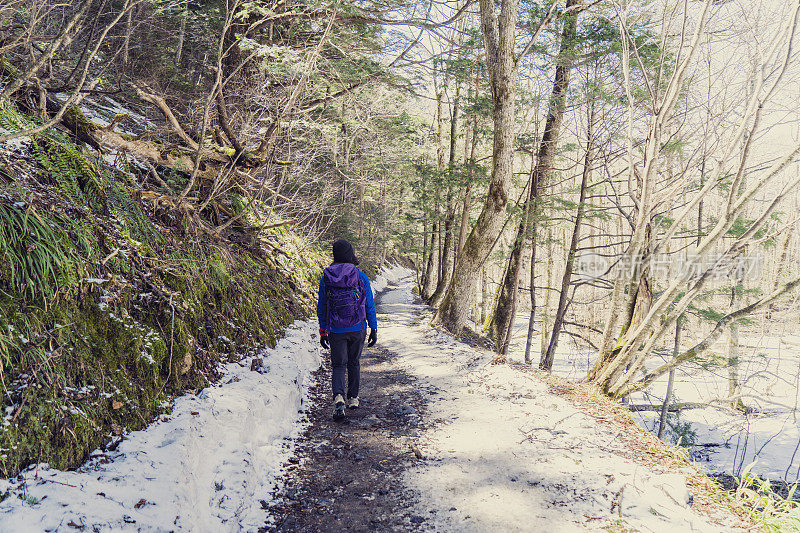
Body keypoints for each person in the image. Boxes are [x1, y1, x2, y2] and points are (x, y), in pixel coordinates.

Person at [317, 239, 377, 420]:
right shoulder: (361, 276)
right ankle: (353, 398)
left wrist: (323, 330)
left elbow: (322, 306)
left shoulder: (326, 277)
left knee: (338, 365)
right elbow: (370, 305)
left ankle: (338, 397)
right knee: (354, 363)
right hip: (358, 328)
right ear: (351, 253)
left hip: (336, 329)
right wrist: (373, 328)